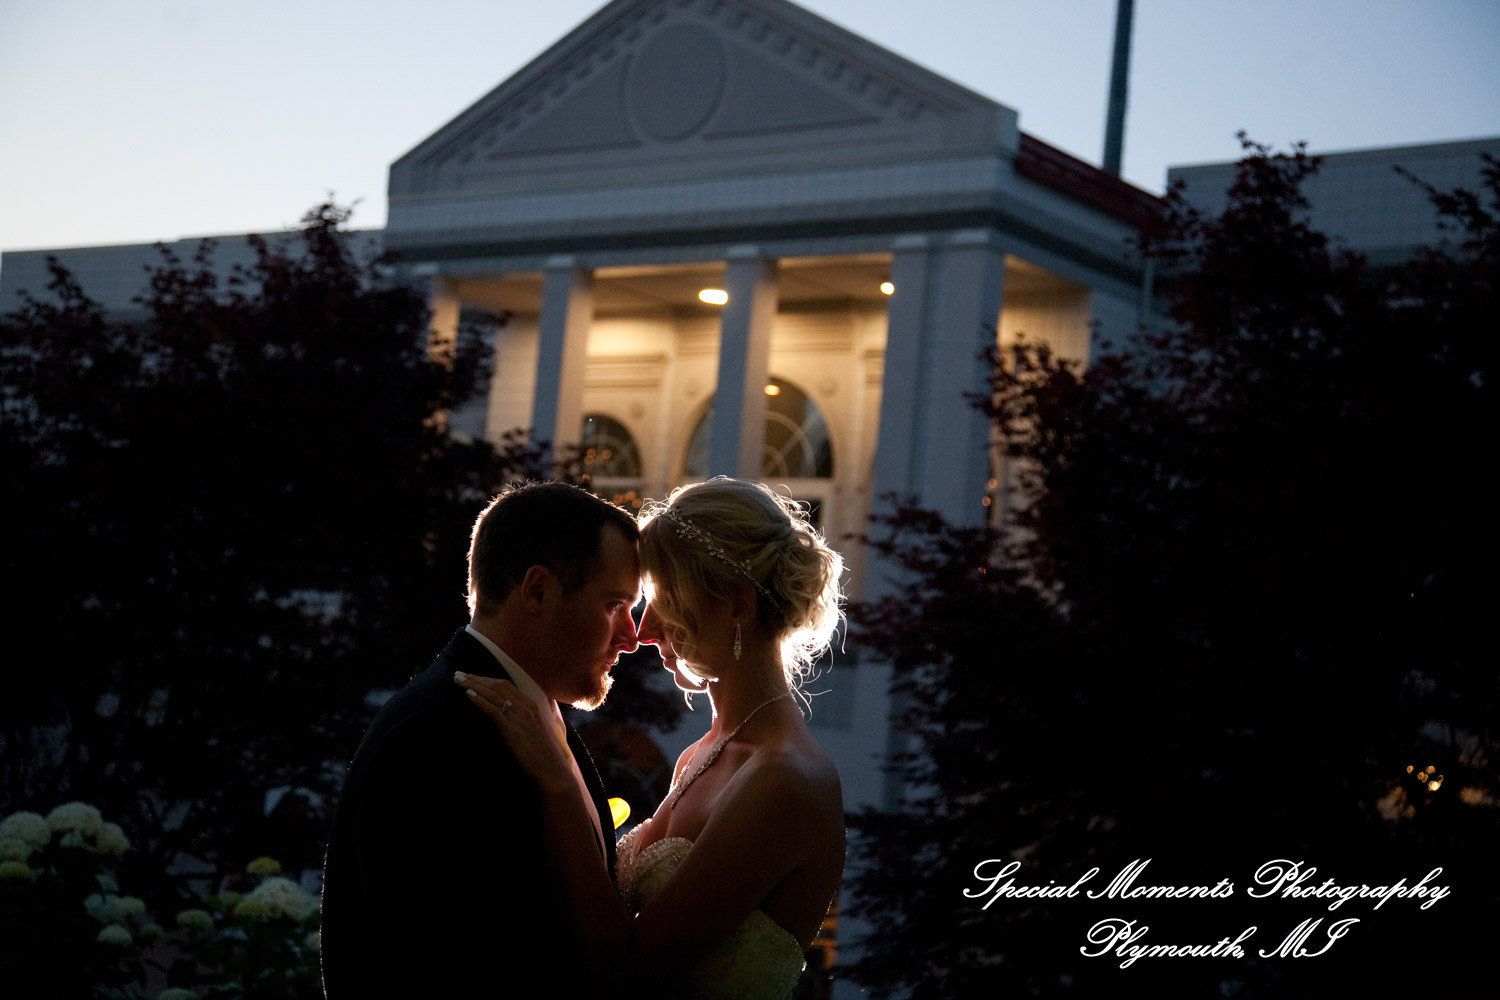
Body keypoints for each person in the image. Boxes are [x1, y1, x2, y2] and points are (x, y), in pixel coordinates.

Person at [456, 477, 845, 999]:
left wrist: (559, 783)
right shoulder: (699, 755)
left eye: (665, 598)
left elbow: (629, 974)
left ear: (737, 604)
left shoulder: (785, 780)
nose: (644, 630)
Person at [321, 481, 641, 997]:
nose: (630, 637)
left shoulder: (533, 718)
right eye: (614, 605)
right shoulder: (436, 733)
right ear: (537, 591)